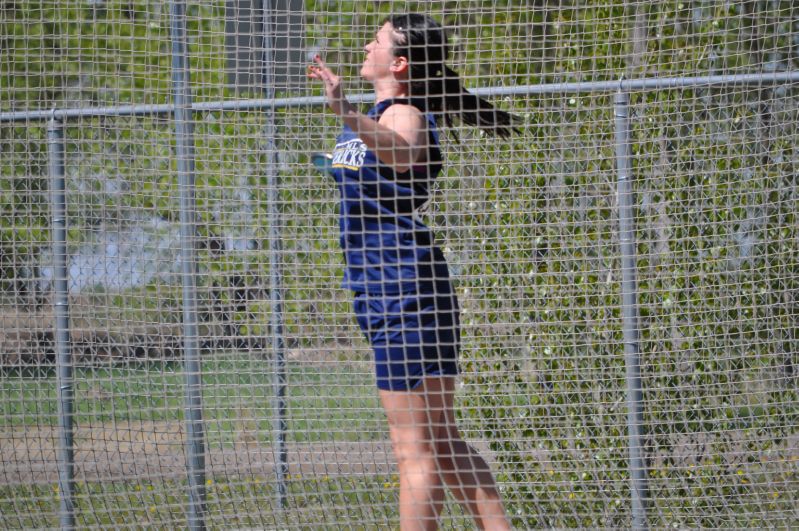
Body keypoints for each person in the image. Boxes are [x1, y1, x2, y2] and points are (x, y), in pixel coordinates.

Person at [308, 13, 517, 531]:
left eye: (375, 40)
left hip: (401, 287)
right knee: (440, 443)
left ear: (398, 63)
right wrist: (343, 132)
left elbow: (401, 155)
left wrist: (346, 112)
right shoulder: (383, 113)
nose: (365, 44)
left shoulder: (403, 112)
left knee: (414, 452)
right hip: (394, 286)